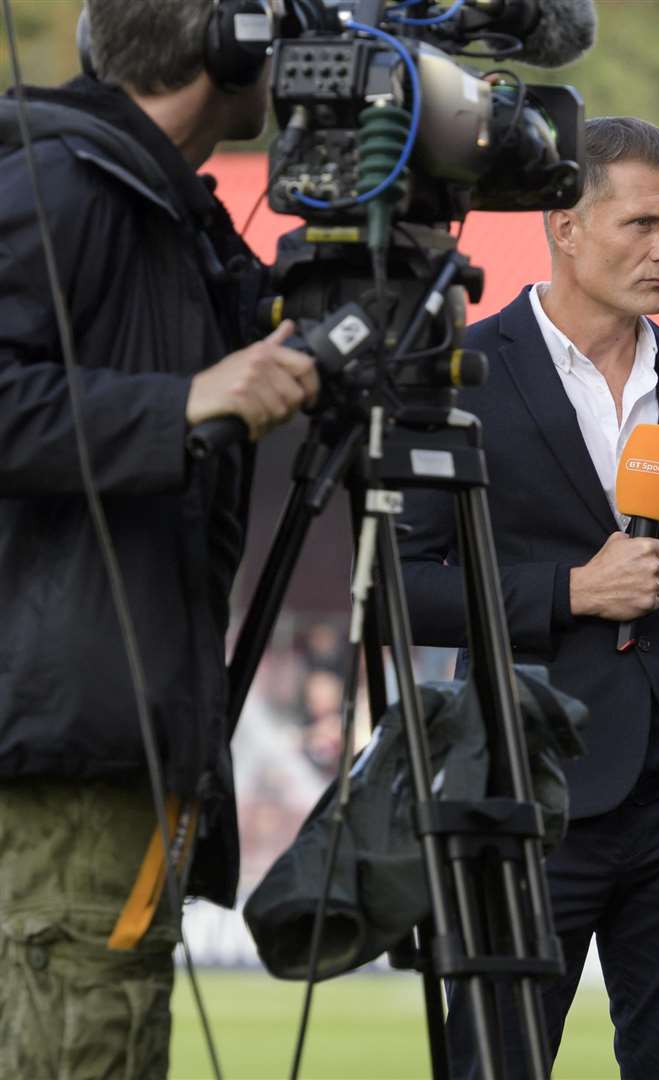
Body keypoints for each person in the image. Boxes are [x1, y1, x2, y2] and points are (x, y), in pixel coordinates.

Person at [399, 116, 659, 1077]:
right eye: (641, 224)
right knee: (490, 1063)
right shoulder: (453, 378)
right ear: (562, 225)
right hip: (525, 793)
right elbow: (402, 593)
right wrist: (571, 590)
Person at [0, 3, 319, 1076]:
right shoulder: (65, 182)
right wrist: (182, 403)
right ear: (221, 47)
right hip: (71, 744)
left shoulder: (163, 216)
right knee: (86, 1045)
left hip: (110, 730)